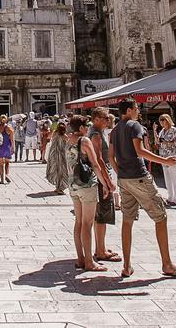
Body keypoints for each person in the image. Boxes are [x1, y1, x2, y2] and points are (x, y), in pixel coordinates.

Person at [110, 99, 176, 279]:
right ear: (129, 110)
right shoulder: (134, 126)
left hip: (124, 179)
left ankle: (127, 266)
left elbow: (110, 156)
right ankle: (167, 264)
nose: (138, 111)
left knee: (127, 220)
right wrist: (165, 161)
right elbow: (140, 151)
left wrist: (120, 172)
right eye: (136, 108)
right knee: (161, 217)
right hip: (139, 176)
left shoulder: (115, 130)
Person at [65, 115, 114, 271]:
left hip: (73, 185)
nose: (88, 128)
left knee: (79, 222)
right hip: (87, 185)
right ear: (80, 128)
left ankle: (80, 258)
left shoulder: (68, 141)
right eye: (86, 126)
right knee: (87, 223)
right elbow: (95, 164)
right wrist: (105, 184)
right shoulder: (84, 141)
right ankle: (89, 261)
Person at [88, 108, 120, 263]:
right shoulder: (95, 134)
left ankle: (100, 247)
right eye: (105, 117)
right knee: (103, 213)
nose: (108, 120)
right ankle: (100, 251)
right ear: (96, 118)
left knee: (100, 214)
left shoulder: (97, 132)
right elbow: (98, 160)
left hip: (100, 177)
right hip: (100, 178)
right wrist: (107, 182)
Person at [154, 114, 176, 207]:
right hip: (163, 157)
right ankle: (170, 198)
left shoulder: (173, 130)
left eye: (163, 120)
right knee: (167, 179)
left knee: (175, 178)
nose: (161, 122)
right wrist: (154, 131)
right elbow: (158, 142)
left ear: (168, 120)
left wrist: (168, 142)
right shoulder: (162, 131)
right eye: (160, 120)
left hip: (173, 156)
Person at [45, 122, 69, 194]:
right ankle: (60, 188)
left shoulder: (54, 133)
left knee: (56, 170)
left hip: (53, 154)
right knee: (62, 171)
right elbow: (69, 143)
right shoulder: (64, 136)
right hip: (62, 155)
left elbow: (48, 137)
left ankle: (57, 187)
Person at [0, 114, 14, 183]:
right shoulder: (8, 127)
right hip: (6, 146)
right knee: (7, 162)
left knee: (0, 164)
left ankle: (2, 179)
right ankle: (6, 175)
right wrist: (13, 147)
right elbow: (11, 139)